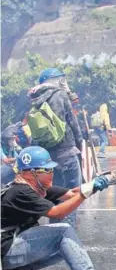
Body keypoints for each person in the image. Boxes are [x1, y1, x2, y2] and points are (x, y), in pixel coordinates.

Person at [1, 146, 116, 270]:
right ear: (32, 172)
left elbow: (71, 193)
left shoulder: (34, 187)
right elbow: (57, 212)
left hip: (9, 250)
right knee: (64, 232)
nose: (52, 173)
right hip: (7, 250)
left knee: (68, 248)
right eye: (48, 170)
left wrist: (95, 184)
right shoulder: (21, 192)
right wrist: (87, 192)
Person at [28, 68, 84, 226]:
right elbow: (72, 122)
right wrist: (79, 144)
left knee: (56, 195)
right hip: (67, 153)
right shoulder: (60, 95)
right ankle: (67, 233)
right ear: (57, 80)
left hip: (48, 158)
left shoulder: (35, 97)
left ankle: (55, 230)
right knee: (72, 195)